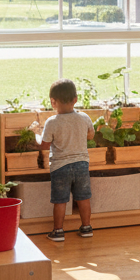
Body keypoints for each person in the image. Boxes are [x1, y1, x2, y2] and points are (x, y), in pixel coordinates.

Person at [37, 79, 94, 243]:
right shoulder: (84, 117)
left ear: (53, 102)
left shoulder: (52, 122)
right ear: (75, 99)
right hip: (82, 164)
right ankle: (86, 227)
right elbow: (90, 135)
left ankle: (58, 231)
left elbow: (44, 145)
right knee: (83, 197)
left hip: (60, 167)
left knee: (60, 200)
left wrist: (36, 134)